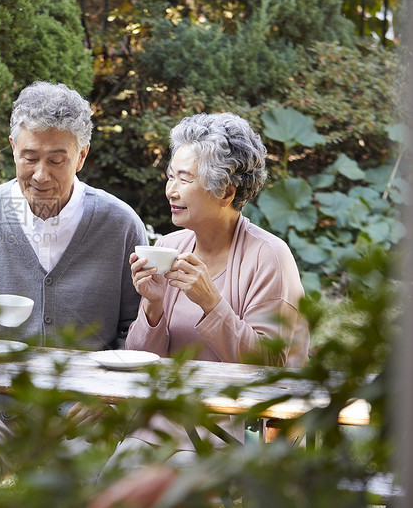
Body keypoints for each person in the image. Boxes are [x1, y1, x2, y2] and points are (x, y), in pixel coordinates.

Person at [0, 80, 147, 481]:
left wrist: (110, 403)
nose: (40, 175)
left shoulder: (120, 224)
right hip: (0, 404)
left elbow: (137, 330)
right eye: (29, 157)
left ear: (82, 156)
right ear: (12, 147)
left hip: (85, 410)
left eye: (57, 160)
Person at [103, 112, 310, 475]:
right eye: (170, 176)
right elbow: (143, 363)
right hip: (163, 420)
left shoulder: (269, 256)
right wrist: (152, 305)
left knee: (173, 483)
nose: (171, 189)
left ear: (226, 192)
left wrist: (211, 303)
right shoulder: (169, 246)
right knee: (115, 478)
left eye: (185, 179)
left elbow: (270, 368)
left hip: (236, 428)